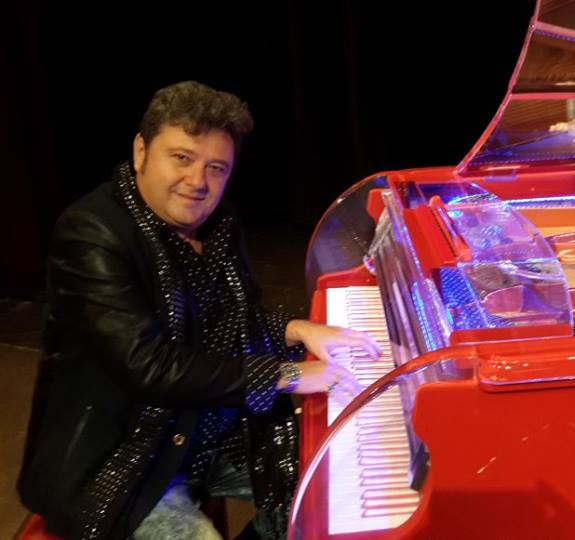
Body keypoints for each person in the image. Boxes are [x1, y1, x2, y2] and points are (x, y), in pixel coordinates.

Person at [18, 80, 379, 540]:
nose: (197, 182)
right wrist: (286, 374)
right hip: (124, 459)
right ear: (141, 151)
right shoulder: (92, 232)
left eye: (216, 167)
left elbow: (224, 326)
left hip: (204, 431)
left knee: (337, 487)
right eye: (181, 158)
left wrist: (296, 329)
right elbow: (149, 366)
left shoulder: (217, 224)